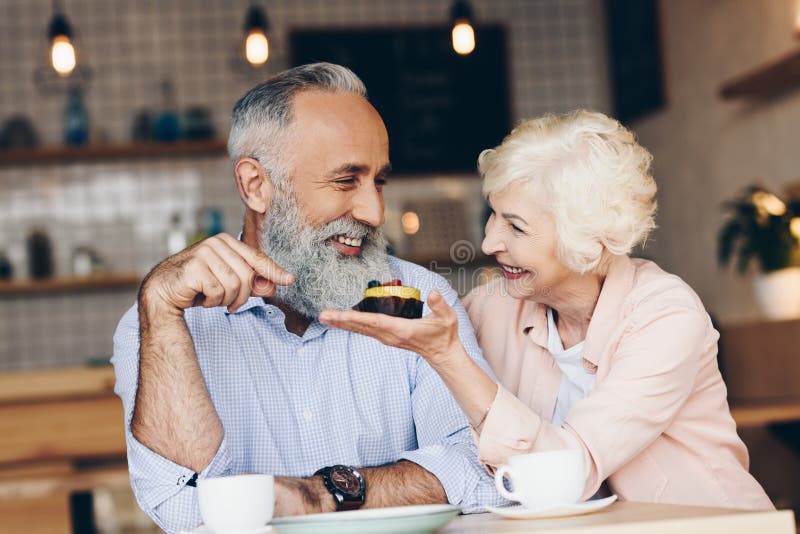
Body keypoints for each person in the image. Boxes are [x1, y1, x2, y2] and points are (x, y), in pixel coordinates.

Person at [111, 63, 503, 534]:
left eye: (378, 180)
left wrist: (318, 497)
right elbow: (182, 505)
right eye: (345, 181)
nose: (374, 211)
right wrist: (159, 304)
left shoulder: (420, 297)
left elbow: (482, 469)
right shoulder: (159, 324)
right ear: (256, 186)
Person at [321, 110, 774, 510]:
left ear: (586, 240)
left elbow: (567, 473)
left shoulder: (666, 317)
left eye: (516, 226)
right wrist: (283, 284)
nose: (489, 243)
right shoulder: (495, 308)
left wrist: (449, 357)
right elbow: (398, 322)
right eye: (493, 215)